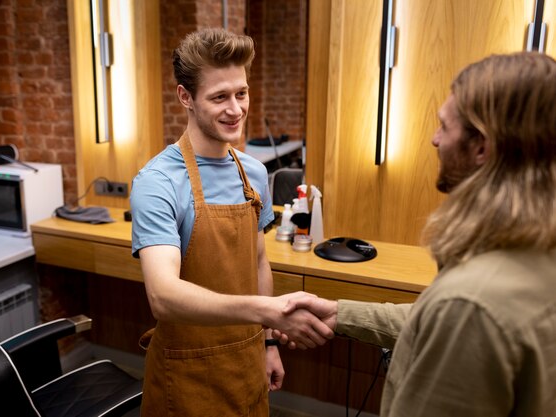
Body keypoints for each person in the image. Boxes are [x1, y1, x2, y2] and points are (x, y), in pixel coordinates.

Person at [277, 52, 556, 416]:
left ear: (482, 147)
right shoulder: (533, 252)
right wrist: (339, 313)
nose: (434, 140)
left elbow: (455, 317)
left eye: (444, 126)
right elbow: (433, 322)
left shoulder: (470, 304)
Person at [130, 28, 333, 416]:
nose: (236, 109)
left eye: (241, 93)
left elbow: (257, 263)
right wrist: (266, 311)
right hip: (187, 376)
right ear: (185, 97)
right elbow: (163, 296)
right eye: (219, 97)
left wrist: (268, 344)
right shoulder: (158, 183)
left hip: (246, 363)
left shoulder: (254, 174)